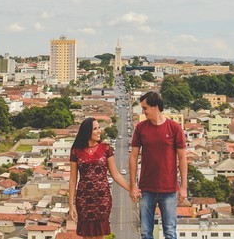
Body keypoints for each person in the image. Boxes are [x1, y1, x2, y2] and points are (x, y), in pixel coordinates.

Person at [129, 91, 187, 239]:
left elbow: (182, 158)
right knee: (146, 232)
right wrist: (133, 185)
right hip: (146, 188)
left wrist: (184, 186)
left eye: (145, 108)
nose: (143, 111)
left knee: (169, 231)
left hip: (168, 189)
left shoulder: (174, 128)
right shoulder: (141, 128)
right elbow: (133, 156)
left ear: (155, 107)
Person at [69, 117, 131, 239]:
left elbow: (116, 174)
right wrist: (71, 205)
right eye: (95, 129)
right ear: (87, 131)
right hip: (83, 200)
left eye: (99, 128)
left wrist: (131, 188)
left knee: (99, 236)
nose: (99, 131)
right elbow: (72, 179)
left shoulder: (106, 149)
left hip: (102, 199)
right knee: (86, 236)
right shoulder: (76, 151)